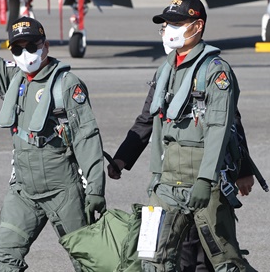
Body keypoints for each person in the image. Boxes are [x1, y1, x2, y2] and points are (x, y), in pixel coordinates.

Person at [0, 0, 106, 272]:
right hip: (23, 189)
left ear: (45, 46)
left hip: (63, 189)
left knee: (89, 262)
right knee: (3, 261)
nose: (25, 54)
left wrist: (95, 188)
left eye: (31, 46)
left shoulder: (67, 85)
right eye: (17, 48)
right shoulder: (13, 80)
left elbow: (87, 136)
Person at [135, 0, 255, 272]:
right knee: (151, 259)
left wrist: (205, 179)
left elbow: (221, 127)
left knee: (224, 261)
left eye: (177, 23)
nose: (168, 29)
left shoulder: (216, 72)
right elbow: (152, 123)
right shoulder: (165, 69)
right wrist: (154, 176)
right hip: (167, 183)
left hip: (204, 180)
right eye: (166, 23)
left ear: (197, 26)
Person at [107, 79, 257, 272]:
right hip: (169, 180)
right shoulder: (164, 73)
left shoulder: (210, 71)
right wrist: (121, 159)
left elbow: (230, 123)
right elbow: (147, 119)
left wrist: (243, 170)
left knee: (211, 251)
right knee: (170, 253)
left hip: (205, 177)